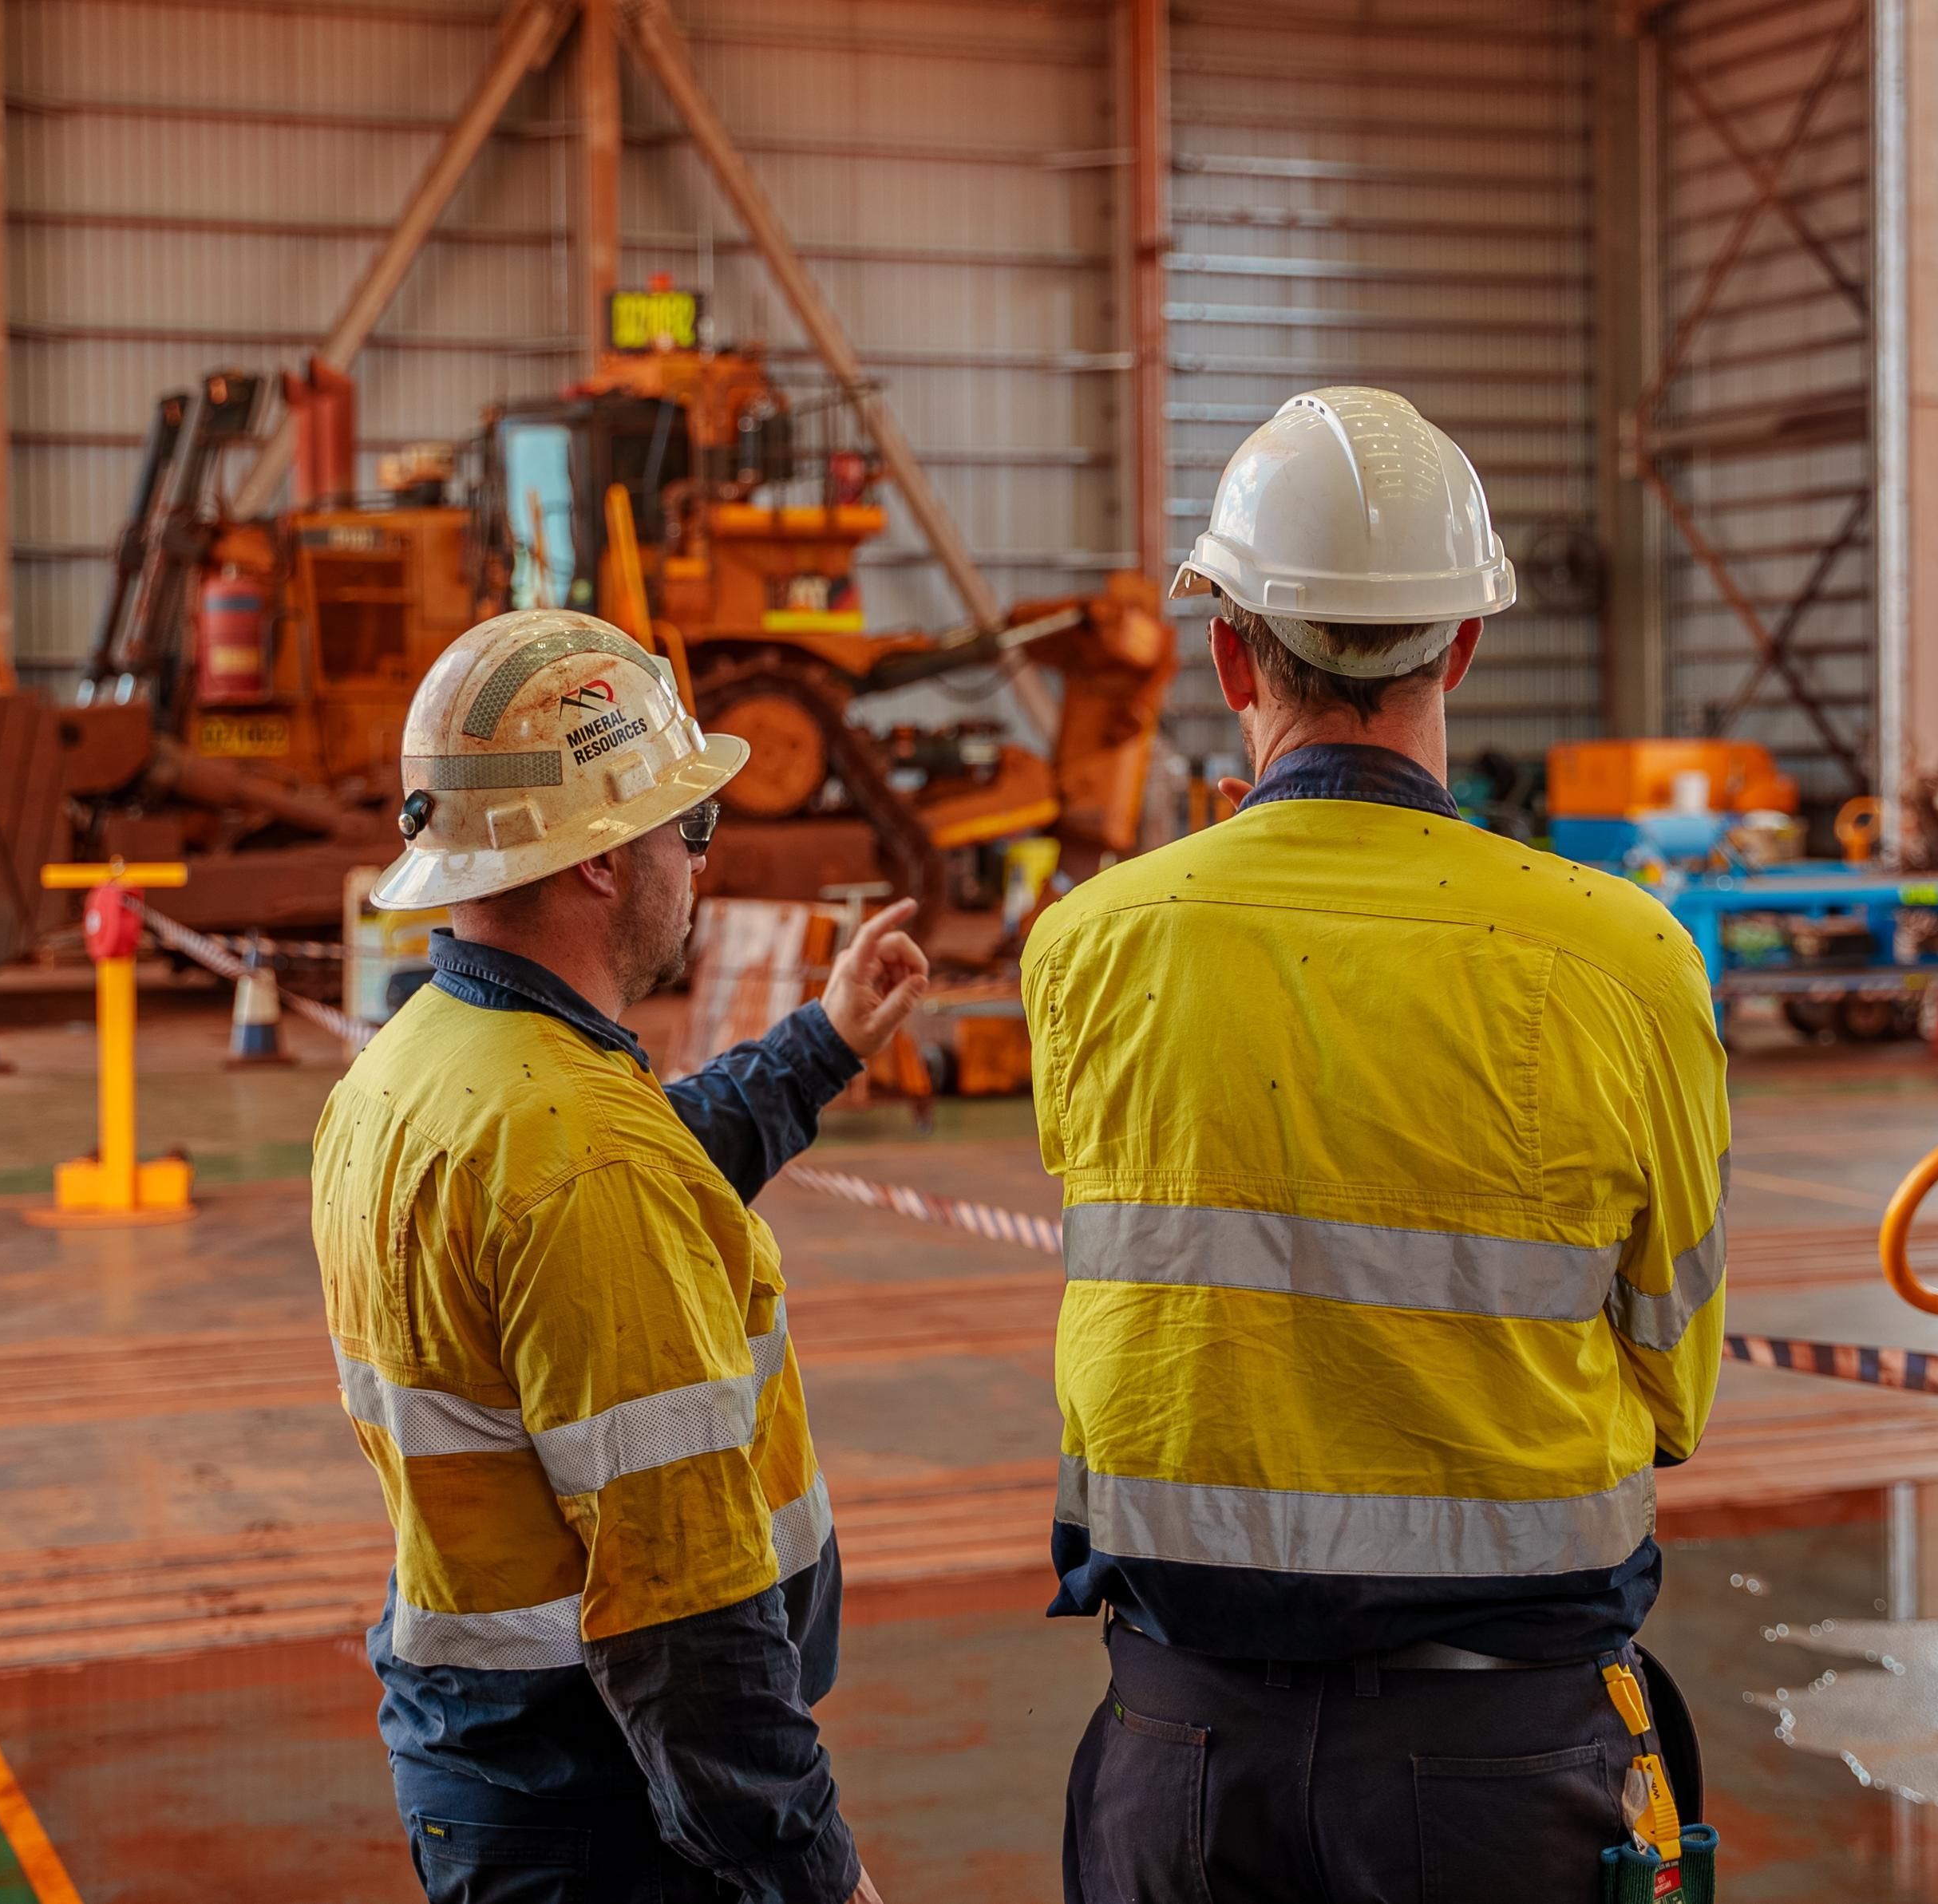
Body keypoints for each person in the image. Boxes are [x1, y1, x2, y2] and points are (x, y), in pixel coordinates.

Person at [1022, 388, 1734, 1901]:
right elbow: (1673, 1373)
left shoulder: (1087, 947)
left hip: (1183, 1745)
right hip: (1505, 1749)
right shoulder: (1627, 956)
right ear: (1463, 644)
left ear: (1229, 651)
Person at [314, 609, 926, 1904]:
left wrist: (820, 1042)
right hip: (614, 1810)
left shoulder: (411, 1071)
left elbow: (650, 1169)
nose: (697, 860)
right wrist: (815, 1878)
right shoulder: (581, 1155)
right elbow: (685, 1629)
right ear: (600, 858)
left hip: (489, 1773)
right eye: (686, 826)